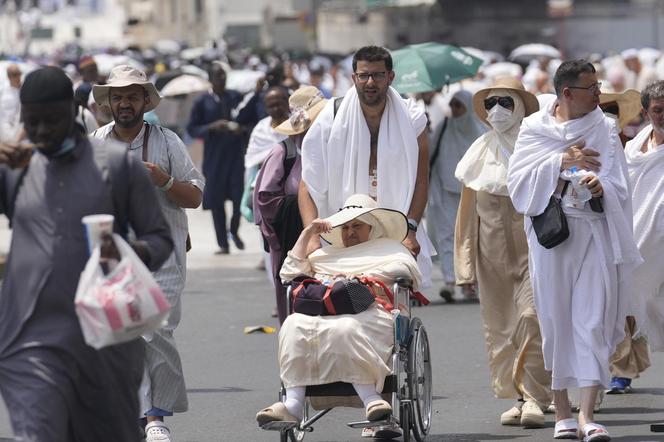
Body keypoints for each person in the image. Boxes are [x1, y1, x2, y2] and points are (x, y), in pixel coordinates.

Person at [0, 66, 173, 442]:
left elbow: (160, 240)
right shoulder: (12, 169)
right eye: (33, 123)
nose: (42, 132)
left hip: (105, 343)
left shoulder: (117, 164)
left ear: (74, 110)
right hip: (29, 343)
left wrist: (123, 251)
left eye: (52, 121)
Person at [508, 59, 642, 441]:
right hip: (552, 239)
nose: (599, 95)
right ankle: (561, 412)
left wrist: (600, 187)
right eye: (592, 89)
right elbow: (518, 182)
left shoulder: (605, 126)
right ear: (567, 93)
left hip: (594, 233)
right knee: (555, 321)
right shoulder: (535, 128)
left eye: (599, 87)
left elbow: (618, 182)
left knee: (592, 320)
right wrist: (561, 161)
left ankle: (587, 415)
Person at [91, 65, 204, 442]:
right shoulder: (97, 141)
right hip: (114, 255)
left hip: (165, 255)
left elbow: (195, 196)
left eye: (132, 96)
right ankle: (145, 417)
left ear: (144, 101)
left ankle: (153, 416)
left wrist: (164, 180)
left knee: (156, 330)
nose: (125, 103)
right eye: (118, 96)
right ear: (109, 102)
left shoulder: (167, 141)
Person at [255, 194, 421, 437]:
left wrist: (361, 278)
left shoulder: (389, 250)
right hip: (326, 309)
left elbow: (404, 271)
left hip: (371, 309)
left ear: (372, 227)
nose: (350, 232)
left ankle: (371, 399)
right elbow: (288, 274)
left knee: (346, 328)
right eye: (345, 227)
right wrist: (308, 233)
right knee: (292, 325)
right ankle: (293, 404)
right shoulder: (325, 255)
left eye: (357, 226)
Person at [454, 77, 552, 429]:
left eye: (506, 102)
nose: (497, 110)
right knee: (501, 329)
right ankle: (519, 396)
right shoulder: (478, 153)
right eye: (492, 102)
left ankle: (536, 397)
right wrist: (464, 267)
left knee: (531, 318)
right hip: (490, 256)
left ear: (521, 106)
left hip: (536, 252)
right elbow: (466, 218)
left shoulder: (537, 149)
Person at [298, 45, 434, 287]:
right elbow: (309, 183)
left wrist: (410, 229)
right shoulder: (331, 118)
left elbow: (421, 181)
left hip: (394, 228)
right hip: (341, 230)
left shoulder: (412, 117)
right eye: (364, 75)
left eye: (378, 75)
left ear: (390, 77)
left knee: (392, 301)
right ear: (354, 78)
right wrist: (312, 236)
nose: (370, 82)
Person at [254, 86, 327, 324]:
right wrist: (298, 208)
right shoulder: (283, 153)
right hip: (292, 240)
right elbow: (264, 199)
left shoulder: (329, 150)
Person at [599, 88, 651, 395]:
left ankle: (623, 369)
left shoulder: (630, 151)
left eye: (612, 111)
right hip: (594, 235)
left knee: (628, 304)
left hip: (633, 234)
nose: (607, 117)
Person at [428, 89, 487, 301]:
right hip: (444, 189)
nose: (454, 110)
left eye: (458, 105)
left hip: (473, 192)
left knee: (472, 237)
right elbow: (431, 155)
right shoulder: (444, 127)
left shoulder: (481, 132)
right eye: (452, 105)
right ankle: (450, 281)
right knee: (447, 236)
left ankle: (470, 281)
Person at [622, 80, 664, 366]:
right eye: (658, 110)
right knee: (642, 302)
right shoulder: (635, 148)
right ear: (646, 111)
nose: (663, 116)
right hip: (641, 241)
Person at [187, 62, 246, 254]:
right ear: (210, 79)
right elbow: (192, 128)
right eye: (217, 76)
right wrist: (212, 127)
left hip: (236, 155)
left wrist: (241, 130)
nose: (221, 79)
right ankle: (223, 243)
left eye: (223, 75)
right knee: (217, 201)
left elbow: (248, 118)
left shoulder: (235, 97)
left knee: (239, 199)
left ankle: (234, 230)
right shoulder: (202, 102)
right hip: (214, 158)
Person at [0, 64, 22, 143]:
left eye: (19, 73)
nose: (18, 76)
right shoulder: (2, 90)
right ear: (9, 77)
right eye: (15, 74)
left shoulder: (25, 90)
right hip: (3, 133)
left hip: (19, 133)